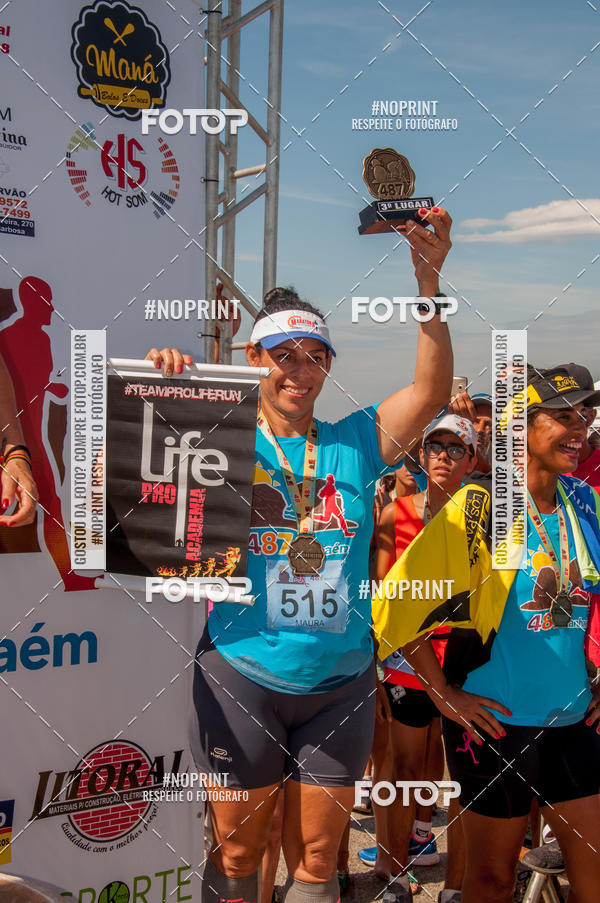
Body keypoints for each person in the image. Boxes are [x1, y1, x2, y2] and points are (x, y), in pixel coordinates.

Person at [146, 209, 454, 903]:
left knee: (319, 862)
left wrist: (428, 280)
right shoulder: (217, 435)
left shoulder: (354, 440)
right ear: (255, 359)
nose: (300, 369)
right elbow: (128, 480)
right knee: (238, 855)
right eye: (285, 353)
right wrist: (163, 389)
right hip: (244, 673)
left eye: (315, 355)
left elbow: (431, 394)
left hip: (339, 682)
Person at [373, 363, 600, 903]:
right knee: (491, 880)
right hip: (497, 727)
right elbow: (395, 605)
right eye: (563, 416)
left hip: (573, 719)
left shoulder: (585, 501)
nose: (580, 428)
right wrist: (443, 693)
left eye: (585, 415)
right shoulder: (478, 508)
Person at [361, 414, 477, 899]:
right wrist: (373, 665)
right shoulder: (397, 512)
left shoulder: (485, 514)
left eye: (457, 447)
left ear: (474, 459)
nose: (445, 456)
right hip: (408, 664)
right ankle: (391, 871)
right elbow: (379, 596)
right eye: (436, 446)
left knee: (469, 777)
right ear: (421, 455)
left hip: (471, 664)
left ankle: (457, 885)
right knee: (404, 770)